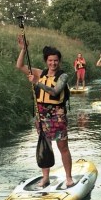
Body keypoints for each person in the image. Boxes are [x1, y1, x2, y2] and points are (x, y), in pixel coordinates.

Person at [16, 35, 75, 188]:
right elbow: (20, 66)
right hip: (42, 115)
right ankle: (45, 178)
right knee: (45, 146)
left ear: (59, 61)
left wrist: (37, 83)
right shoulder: (40, 73)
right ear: (46, 61)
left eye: (55, 60)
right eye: (50, 60)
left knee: (63, 147)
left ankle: (68, 177)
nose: (53, 63)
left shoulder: (63, 76)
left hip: (57, 114)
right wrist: (24, 49)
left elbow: (55, 92)